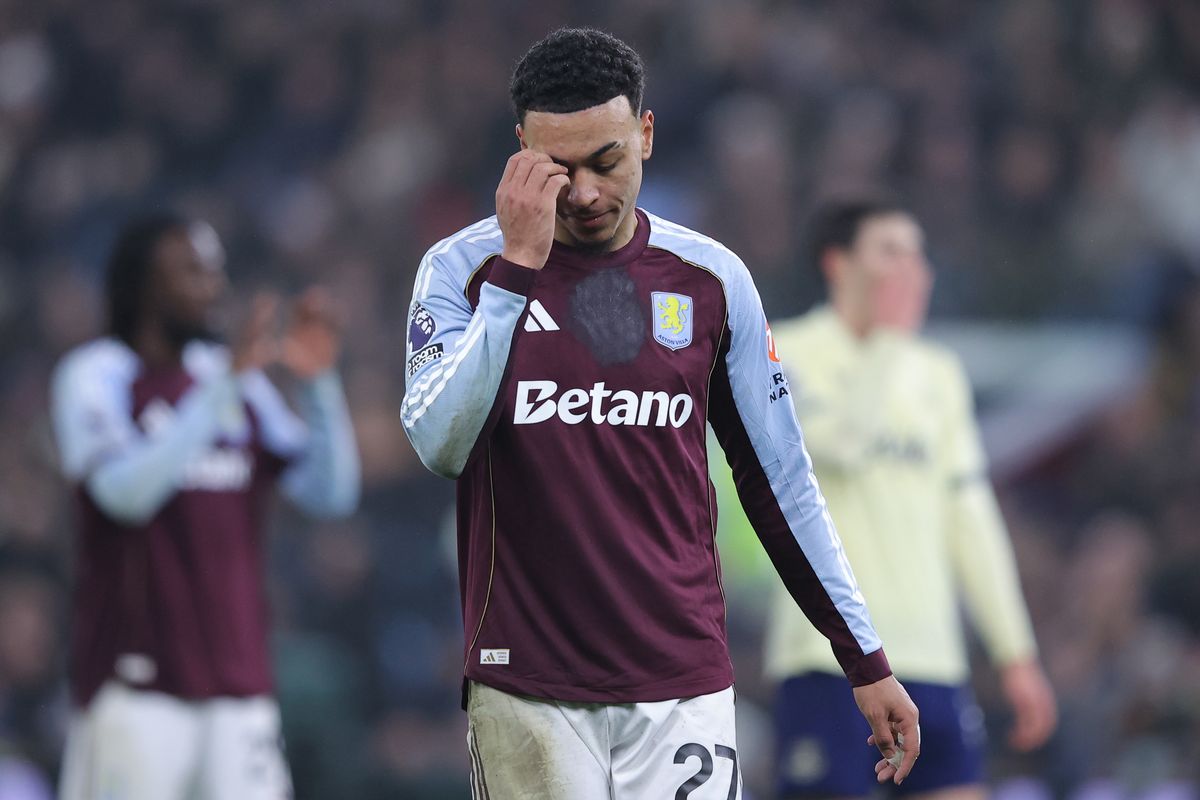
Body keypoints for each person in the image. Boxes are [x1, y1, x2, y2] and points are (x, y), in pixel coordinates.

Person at [401, 28, 919, 799]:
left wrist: (865, 657)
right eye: (556, 169)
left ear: (645, 134)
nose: (582, 194)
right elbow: (440, 443)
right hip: (529, 685)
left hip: (682, 683)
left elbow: (781, 481)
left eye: (606, 162)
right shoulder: (464, 270)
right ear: (519, 151)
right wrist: (517, 272)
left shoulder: (711, 279)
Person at [754, 197, 1058, 799]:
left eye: (918, 254)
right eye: (890, 251)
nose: (912, 269)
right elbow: (834, 447)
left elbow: (970, 518)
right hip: (828, 657)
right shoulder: (784, 349)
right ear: (838, 263)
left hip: (934, 659)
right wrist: (887, 342)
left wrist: (1015, 652)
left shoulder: (937, 374)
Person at [50, 213, 361, 800]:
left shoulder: (234, 383)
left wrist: (319, 387)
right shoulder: (96, 376)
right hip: (136, 687)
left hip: (240, 692)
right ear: (144, 286)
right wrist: (217, 391)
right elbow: (124, 495)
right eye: (192, 272)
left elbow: (329, 493)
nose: (214, 288)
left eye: (215, 271)